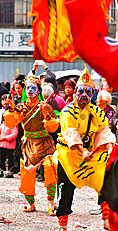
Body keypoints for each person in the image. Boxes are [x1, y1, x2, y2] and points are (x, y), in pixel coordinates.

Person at [55, 66, 115, 231]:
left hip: (90, 153)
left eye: (88, 92)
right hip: (70, 153)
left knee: (104, 180)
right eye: (81, 91)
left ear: (93, 93)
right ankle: (63, 225)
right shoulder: (67, 110)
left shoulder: (97, 112)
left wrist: (109, 147)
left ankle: (106, 220)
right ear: (75, 92)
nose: (84, 95)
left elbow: (104, 131)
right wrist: (82, 151)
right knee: (66, 188)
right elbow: (70, 132)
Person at [3, 71, 59, 216]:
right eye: (28, 88)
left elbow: (53, 126)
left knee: (50, 167)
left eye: (33, 88)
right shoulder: (21, 107)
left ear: (39, 90)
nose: (30, 91)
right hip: (28, 143)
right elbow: (12, 123)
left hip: (45, 142)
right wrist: (10, 108)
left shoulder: (45, 106)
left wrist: (46, 113)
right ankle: (30, 203)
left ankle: (51, 203)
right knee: (27, 174)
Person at [0, 94, 18, 178]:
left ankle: (10, 170)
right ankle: (2, 169)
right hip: (1, 144)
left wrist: (5, 138)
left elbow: (14, 134)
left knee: (10, 158)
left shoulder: (12, 125)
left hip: (9, 145)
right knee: (1, 158)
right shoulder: (3, 125)